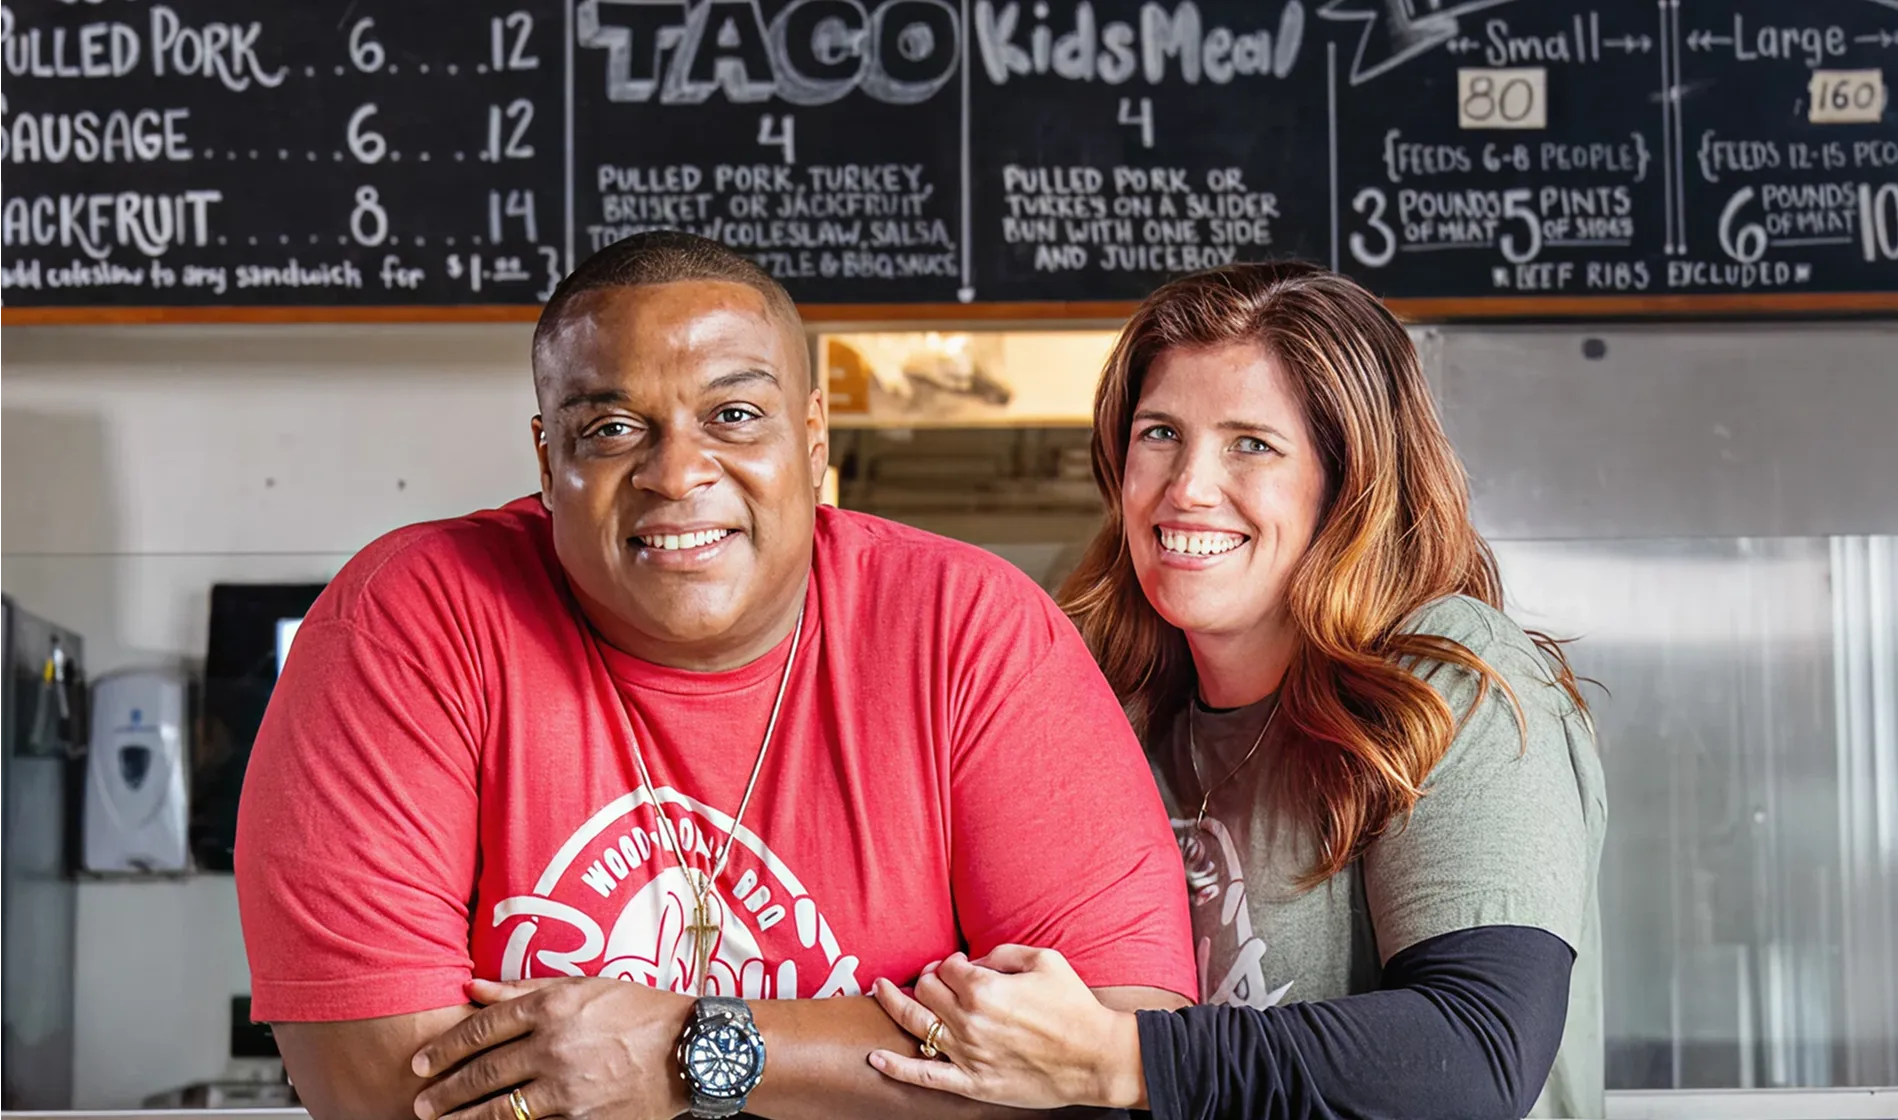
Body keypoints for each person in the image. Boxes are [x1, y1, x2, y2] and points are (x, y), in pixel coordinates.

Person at [232, 230, 1197, 1120]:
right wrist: (887, 1060)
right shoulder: (408, 621)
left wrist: (686, 1051)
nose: (677, 472)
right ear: (545, 455)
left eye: (734, 416)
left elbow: (1107, 1054)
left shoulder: (972, 631)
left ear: (812, 438)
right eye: (611, 428)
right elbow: (382, 1077)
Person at [866, 261, 1608, 1120]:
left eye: (1251, 443)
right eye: (1159, 434)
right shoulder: (1109, 706)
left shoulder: (1451, 678)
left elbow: (1473, 1056)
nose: (1187, 488)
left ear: (1349, 482)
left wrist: (1121, 1058)